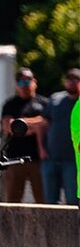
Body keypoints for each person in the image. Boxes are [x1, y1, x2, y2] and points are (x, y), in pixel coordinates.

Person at [0, 67, 47, 202]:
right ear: (16, 85)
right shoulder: (10, 104)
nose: (25, 85)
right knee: (13, 200)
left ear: (35, 82)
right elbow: (8, 127)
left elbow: (46, 124)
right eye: (21, 82)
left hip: (38, 159)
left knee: (42, 200)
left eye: (28, 81)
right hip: (15, 158)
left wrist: (22, 124)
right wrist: (35, 125)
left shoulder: (44, 103)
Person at [40, 68, 79, 204]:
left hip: (73, 160)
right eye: (69, 79)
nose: (72, 82)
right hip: (51, 157)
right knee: (50, 201)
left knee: (73, 199)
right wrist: (42, 149)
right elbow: (43, 124)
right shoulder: (56, 99)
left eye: (76, 79)